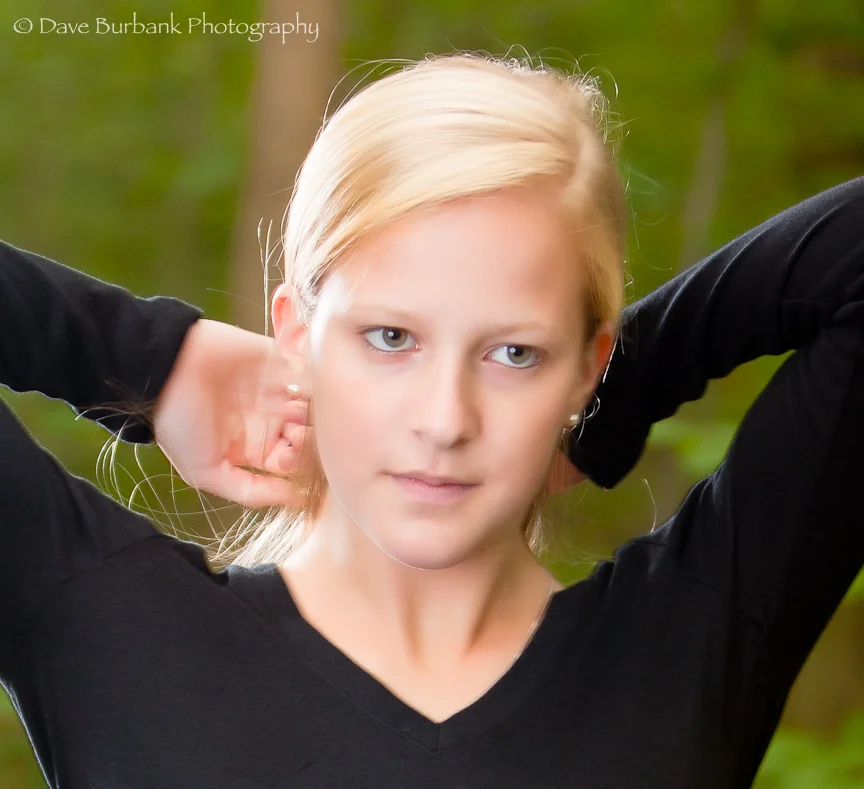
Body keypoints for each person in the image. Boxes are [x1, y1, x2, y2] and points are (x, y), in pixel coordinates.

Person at [0, 51, 862, 789]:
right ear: (297, 335)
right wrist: (156, 355)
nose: (446, 420)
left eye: (515, 354)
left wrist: (611, 407)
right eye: (390, 337)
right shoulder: (103, 625)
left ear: (587, 364)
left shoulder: (688, 641)